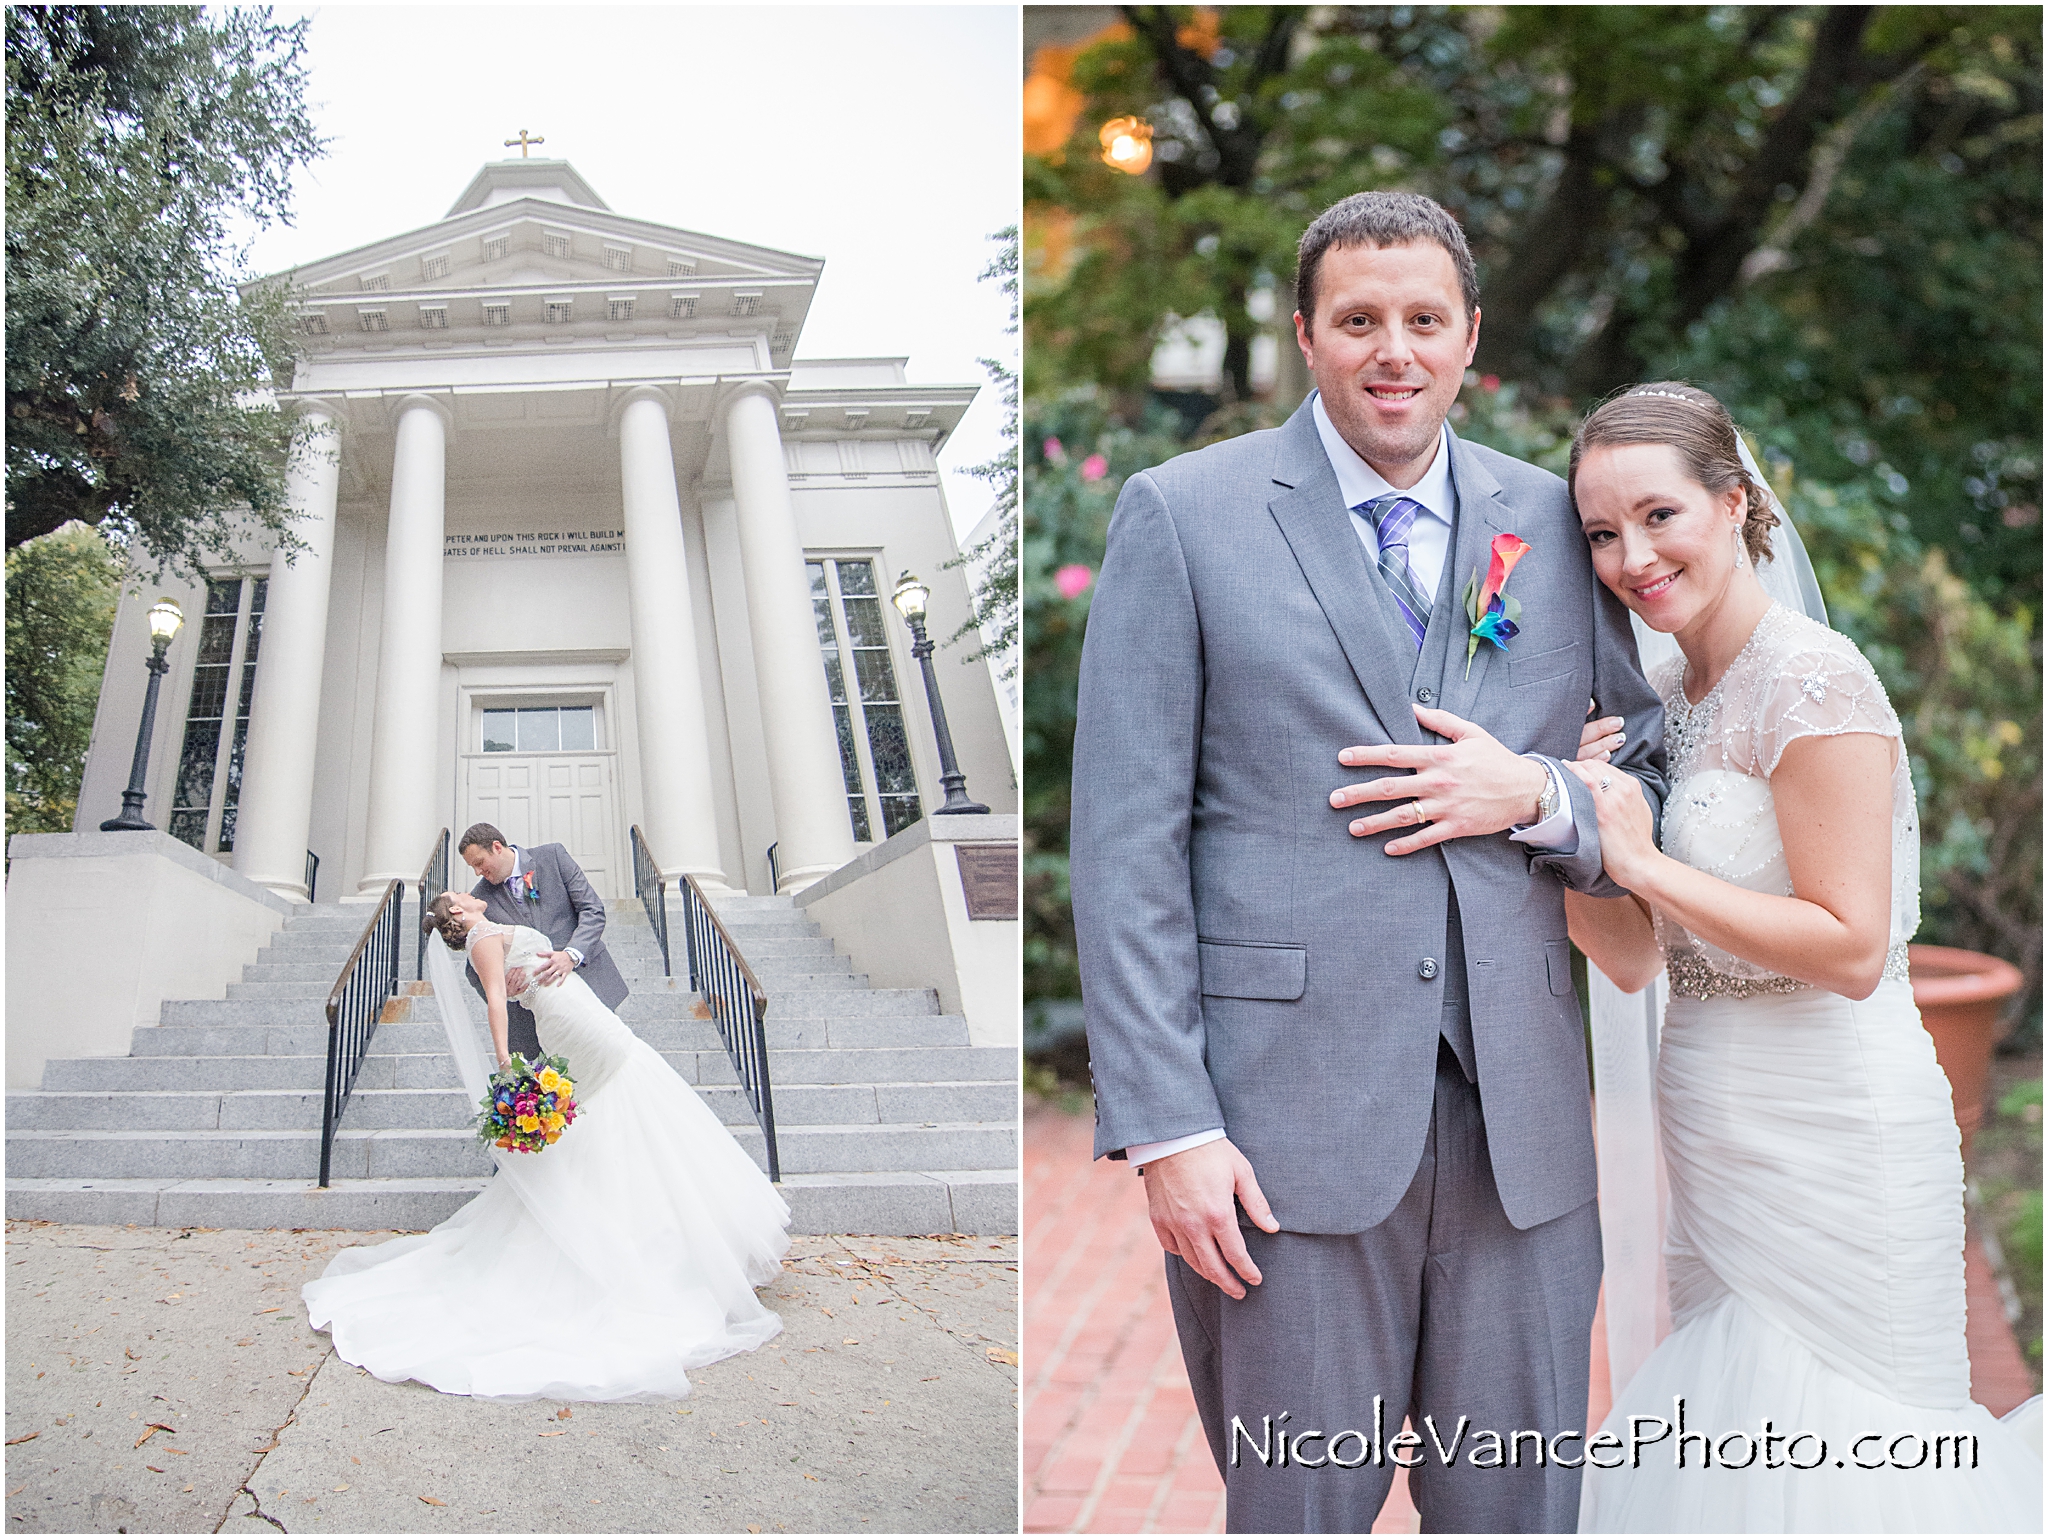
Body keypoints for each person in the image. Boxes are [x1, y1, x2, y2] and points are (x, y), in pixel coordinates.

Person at [1069, 189, 1668, 1533]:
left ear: (1469, 339)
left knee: (1520, 1512)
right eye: (1358, 319)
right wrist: (1171, 1126)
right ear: (1305, 335)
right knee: (1299, 1507)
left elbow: (1661, 759)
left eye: (1422, 319)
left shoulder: (1554, 519)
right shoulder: (1186, 514)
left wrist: (1549, 793)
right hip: (1285, 1132)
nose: (1391, 348)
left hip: (1520, 1128)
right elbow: (1125, 846)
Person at [1560, 382, 2041, 1531]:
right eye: (1599, 532)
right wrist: (1569, 825)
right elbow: (1630, 960)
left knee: (1857, 1443)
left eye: (1658, 515)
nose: (1630, 555)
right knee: (1729, 1441)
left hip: (1837, 1125)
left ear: (1734, 505)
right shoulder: (1664, 697)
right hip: (1711, 1121)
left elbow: (1848, 944)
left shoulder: (1813, 680)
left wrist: (1640, 859)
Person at [302, 890, 789, 1402]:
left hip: (575, 1004)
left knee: (619, 1114)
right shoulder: (483, 939)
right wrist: (505, 1062)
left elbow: (519, 975)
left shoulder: (493, 932)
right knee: (627, 1085)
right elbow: (494, 998)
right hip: (573, 1022)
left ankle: (659, 1243)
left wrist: (541, 971)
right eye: (458, 895)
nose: (468, 890)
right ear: (459, 914)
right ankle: (655, 1252)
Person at [457, 823, 627, 1064]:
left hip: (590, 987)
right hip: (541, 1016)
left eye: (479, 862)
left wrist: (571, 955)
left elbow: (592, 909)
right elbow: (473, 969)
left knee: (611, 1064)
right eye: (472, 866)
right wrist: (504, 991)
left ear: (497, 847)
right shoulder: (481, 899)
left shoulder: (552, 857)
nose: (477, 872)